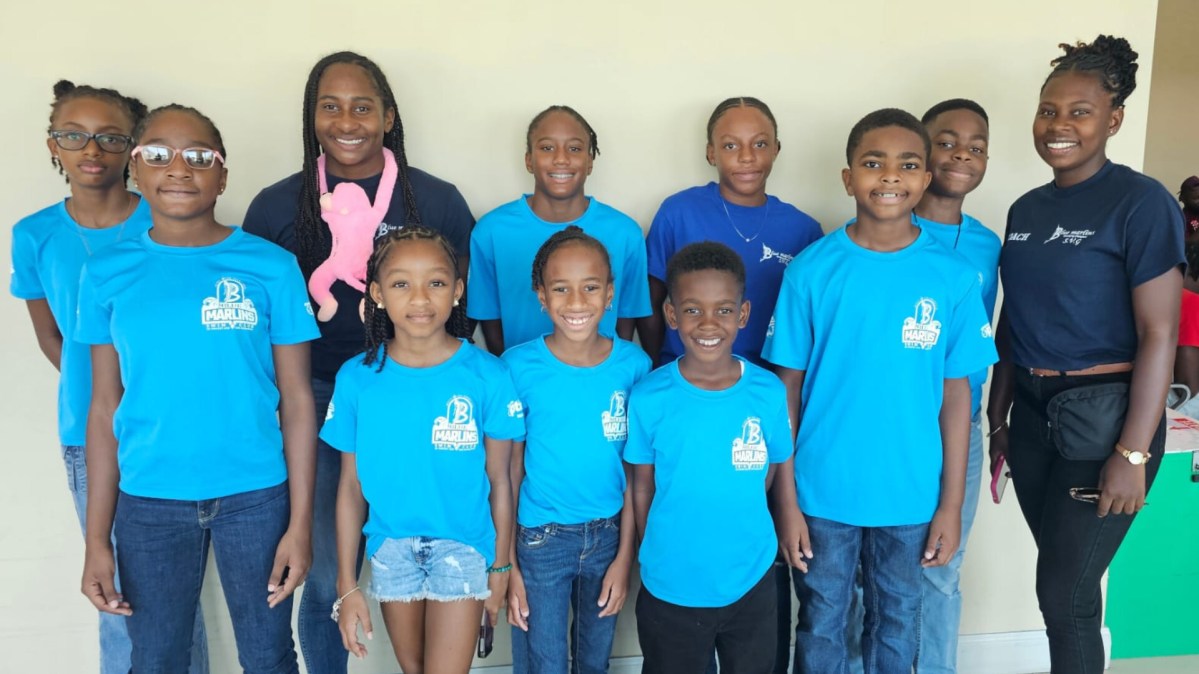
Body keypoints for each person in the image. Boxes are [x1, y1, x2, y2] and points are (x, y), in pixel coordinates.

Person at [242, 50, 475, 674]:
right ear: (311, 116)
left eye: (363, 107)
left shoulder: (436, 200)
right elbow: (258, 324)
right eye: (331, 106)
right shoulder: (275, 207)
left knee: (432, 548)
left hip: (414, 393)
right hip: (316, 396)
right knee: (325, 573)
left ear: (388, 117)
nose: (347, 121)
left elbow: (462, 308)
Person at [76, 104, 318, 673]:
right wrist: (96, 540)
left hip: (256, 497)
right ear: (135, 170)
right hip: (149, 500)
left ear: (223, 175)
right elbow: (105, 405)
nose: (179, 168)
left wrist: (300, 524)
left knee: (268, 655)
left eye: (199, 156)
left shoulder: (271, 266)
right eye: (159, 154)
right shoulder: (106, 272)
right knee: (157, 657)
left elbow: (297, 399)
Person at [764, 108, 997, 674]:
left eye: (908, 165)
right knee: (822, 622)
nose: (891, 176)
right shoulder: (811, 271)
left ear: (925, 178)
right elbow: (786, 393)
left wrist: (950, 505)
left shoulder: (952, 277)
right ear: (848, 178)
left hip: (912, 496)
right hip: (821, 493)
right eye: (874, 163)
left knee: (898, 621)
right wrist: (785, 500)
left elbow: (958, 400)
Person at [987, 36, 1184, 674]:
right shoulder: (1025, 209)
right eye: (1048, 110)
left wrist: (1132, 453)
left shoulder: (1142, 202)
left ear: (1113, 120)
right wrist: (997, 418)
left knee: (1063, 597)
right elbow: (1013, 318)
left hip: (1105, 421)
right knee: (1065, 584)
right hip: (1032, 418)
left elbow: (1160, 333)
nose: (1059, 125)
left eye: (1080, 111)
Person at [10, 80, 209, 674]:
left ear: (133, 150)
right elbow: (55, 337)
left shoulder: (171, 211)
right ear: (53, 145)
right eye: (73, 136)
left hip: (166, 433)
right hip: (89, 434)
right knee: (117, 594)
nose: (91, 150)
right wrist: (108, 395)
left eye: (110, 137)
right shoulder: (34, 234)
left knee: (174, 599)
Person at [323, 227, 522, 673]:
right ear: (377, 294)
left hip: (464, 544)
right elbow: (351, 486)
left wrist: (500, 566)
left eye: (435, 282)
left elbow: (500, 480)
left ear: (457, 291)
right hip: (390, 547)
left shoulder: (487, 375)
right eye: (401, 284)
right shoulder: (357, 378)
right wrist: (346, 584)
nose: (419, 298)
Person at [627, 241, 792, 674]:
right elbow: (642, 485)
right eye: (692, 310)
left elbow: (771, 470)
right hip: (672, 583)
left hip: (750, 577)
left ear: (743, 314)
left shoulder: (767, 392)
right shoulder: (649, 396)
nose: (708, 323)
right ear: (671, 315)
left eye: (723, 310)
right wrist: (652, 548)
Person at [503, 227, 650, 673]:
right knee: (543, 662)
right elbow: (508, 472)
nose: (576, 302)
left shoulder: (634, 366)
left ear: (610, 293)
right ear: (541, 296)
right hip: (540, 538)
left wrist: (624, 559)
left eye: (590, 287)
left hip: (608, 537)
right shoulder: (517, 366)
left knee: (594, 660)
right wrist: (507, 565)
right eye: (561, 288)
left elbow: (636, 474)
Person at [911, 98, 1001, 674]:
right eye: (945, 142)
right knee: (870, 572)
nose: (961, 155)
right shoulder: (881, 228)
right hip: (891, 422)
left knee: (941, 568)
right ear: (921, 151)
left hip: (959, 426)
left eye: (976, 147)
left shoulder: (987, 245)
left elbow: (982, 342)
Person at [640, 96, 823, 368]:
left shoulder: (803, 230)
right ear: (711, 153)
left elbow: (812, 322)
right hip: (685, 375)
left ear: (776, 149)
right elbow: (649, 303)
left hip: (767, 381)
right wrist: (659, 368)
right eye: (730, 145)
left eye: (760, 144)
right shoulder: (678, 213)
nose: (747, 156)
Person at [468, 105, 650, 354]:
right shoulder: (490, 231)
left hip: (601, 374)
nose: (561, 159)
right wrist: (510, 370)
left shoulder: (626, 233)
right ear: (529, 160)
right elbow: (490, 319)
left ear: (590, 162)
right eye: (547, 148)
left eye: (574, 148)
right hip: (520, 375)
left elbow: (626, 321)